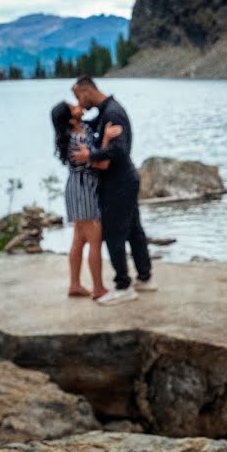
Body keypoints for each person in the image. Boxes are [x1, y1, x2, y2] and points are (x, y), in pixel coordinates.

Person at [70, 76, 155, 306]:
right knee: (134, 230)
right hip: (126, 179)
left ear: (87, 91)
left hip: (118, 181)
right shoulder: (106, 111)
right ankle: (145, 277)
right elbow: (92, 129)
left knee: (114, 233)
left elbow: (120, 151)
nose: (77, 101)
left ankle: (123, 285)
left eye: (77, 96)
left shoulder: (112, 114)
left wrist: (90, 156)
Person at [50, 100, 121, 300]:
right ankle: (98, 288)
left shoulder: (83, 131)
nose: (78, 106)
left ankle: (75, 285)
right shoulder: (74, 140)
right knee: (95, 240)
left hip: (81, 189)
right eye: (73, 107)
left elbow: (93, 155)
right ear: (71, 119)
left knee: (79, 239)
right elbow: (100, 163)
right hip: (83, 191)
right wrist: (106, 139)